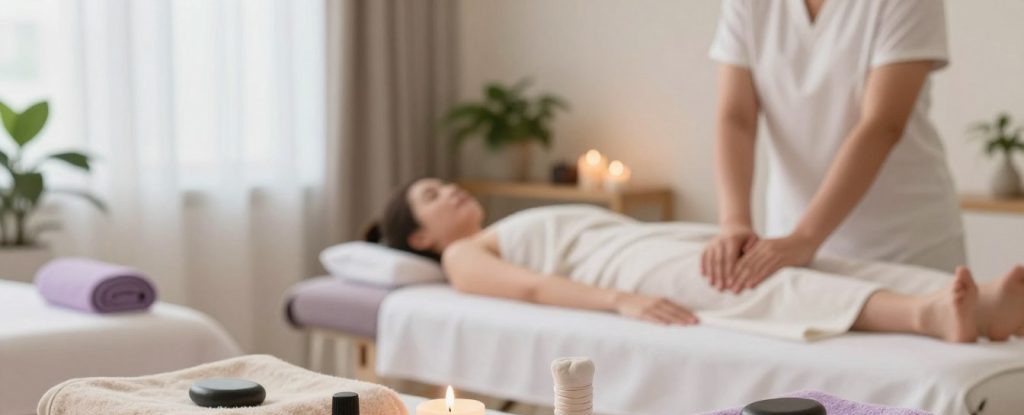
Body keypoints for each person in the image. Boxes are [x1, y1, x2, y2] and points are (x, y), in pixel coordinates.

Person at [367, 178, 1024, 343]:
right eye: (432, 197)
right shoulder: (461, 255)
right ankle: (929, 314)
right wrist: (620, 301)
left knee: (787, 259)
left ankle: (978, 299)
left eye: (443, 184)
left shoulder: (497, 226)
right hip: (621, 270)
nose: (450, 191)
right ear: (419, 238)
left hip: (648, 240)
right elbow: (534, 289)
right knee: (759, 285)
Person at [703, 0, 965, 294]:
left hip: (903, 246)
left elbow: (882, 125)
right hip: (788, 248)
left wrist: (806, 238)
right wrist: (734, 222)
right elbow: (736, 117)